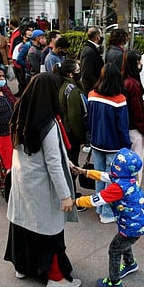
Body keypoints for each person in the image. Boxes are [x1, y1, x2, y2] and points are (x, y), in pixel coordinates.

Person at [4, 73, 81, 287]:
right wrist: (66, 195)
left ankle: (22, 267)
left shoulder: (20, 112)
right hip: (41, 185)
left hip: (22, 181)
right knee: (49, 231)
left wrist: (69, 163)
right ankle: (56, 278)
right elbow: (53, 163)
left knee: (22, 224)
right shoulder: (48, 122)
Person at [72, 148, 144, 287]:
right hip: (137, 222)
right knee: (124, 242)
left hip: (132, 225)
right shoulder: (127, 178)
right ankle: (130, 263)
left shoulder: (118, 188)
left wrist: (75, 202)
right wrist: (85, 172)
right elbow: (104, 176)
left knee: (115, 249)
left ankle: (114, 282)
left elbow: (95, 200)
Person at [88, 63, 132, 223]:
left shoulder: (92, 94)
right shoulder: (120, 100)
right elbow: (122, 127)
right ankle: (107, 212)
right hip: (113, 145)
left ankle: (99, 206)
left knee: (99, 176)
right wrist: (127, 145)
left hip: (95, 142)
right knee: (111, 179)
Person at [54, 59, 87, 212]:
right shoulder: (72, 89)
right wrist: (81, 136)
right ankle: (71, 195)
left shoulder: (61, 85)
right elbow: (75, 116)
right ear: (70, 73)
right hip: (71, 133)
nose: (80, 71)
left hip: (63, 131)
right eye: (78, 68)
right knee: (72, 164)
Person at [122, 50, 144, 182]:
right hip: (135, 130)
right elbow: (137, 111)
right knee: (136, 165)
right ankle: (135, 196)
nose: (141, 64)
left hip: (125, 128)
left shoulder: (123, 81)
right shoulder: (133, 84)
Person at [80, 26, 104, 96]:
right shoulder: (89, 51)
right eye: (101, 35)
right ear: (97, 37)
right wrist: (98, 84)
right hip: (91, 89)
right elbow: (87, 73)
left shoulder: (91, 49)